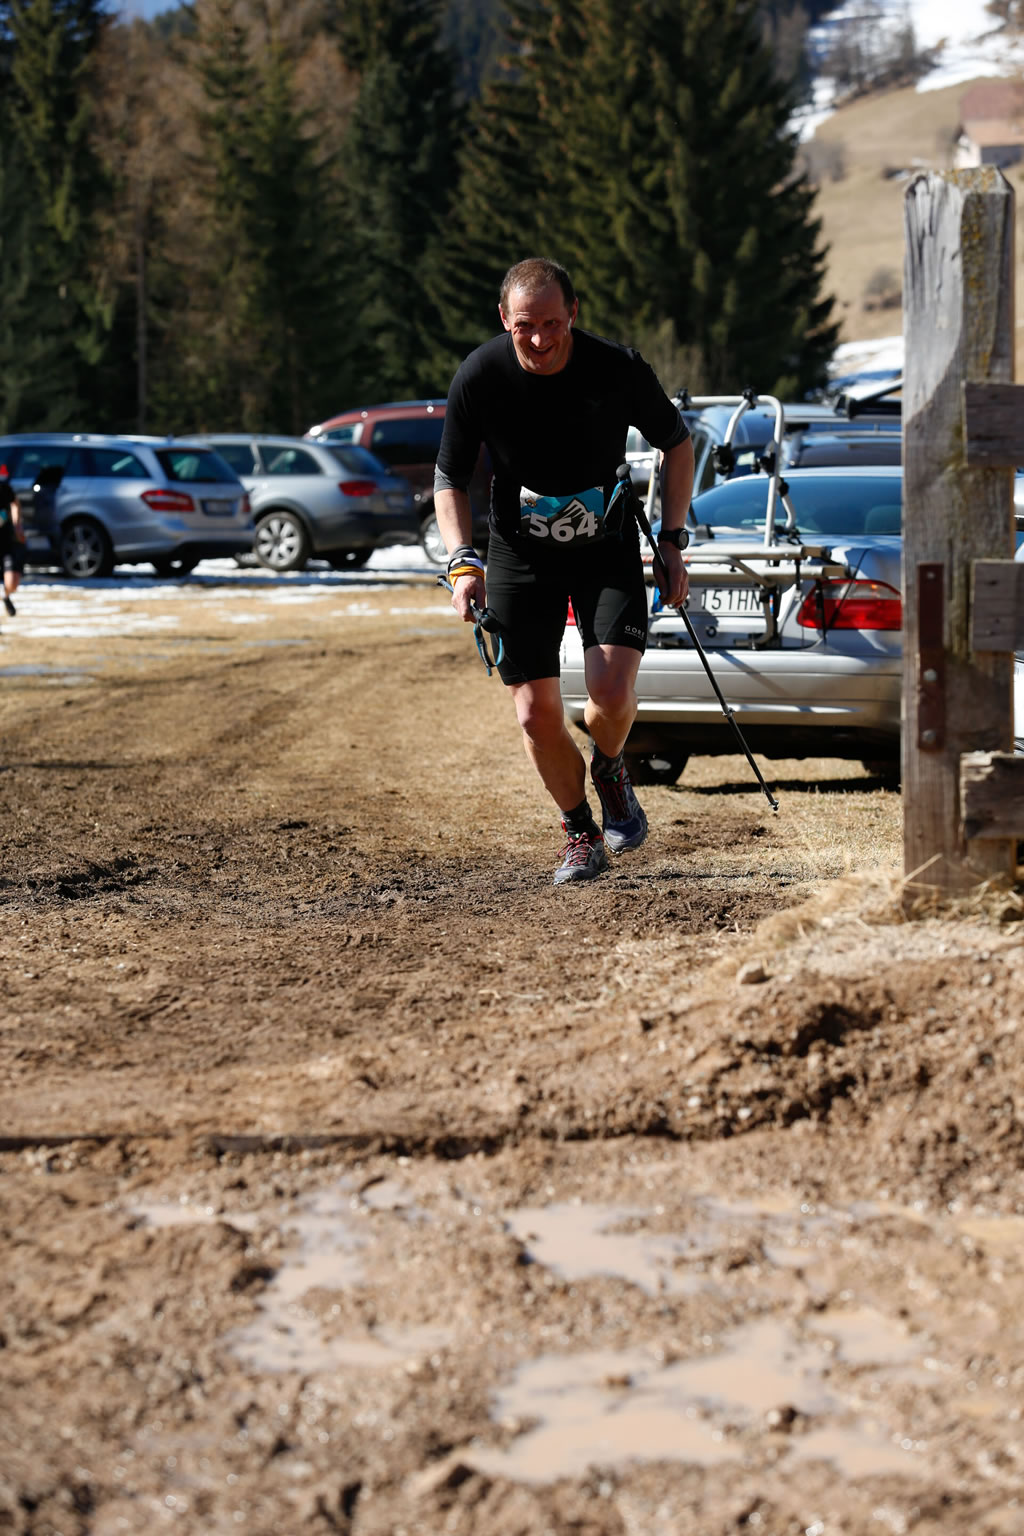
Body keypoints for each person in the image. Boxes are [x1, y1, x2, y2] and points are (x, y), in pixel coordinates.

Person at [435, 257, 695, 886]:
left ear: (573, 313)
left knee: (610, 695)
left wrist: (672, 540)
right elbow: (450, 477)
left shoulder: (617, 367)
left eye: (553, 322)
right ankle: (581, 832)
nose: (540, 338)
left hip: (605, 549)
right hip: (519, 555)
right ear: (505, 319)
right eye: (526, 325)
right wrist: (462, 561)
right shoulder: (480, 375)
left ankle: (610, 767)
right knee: (534, 714)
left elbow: (677, 443)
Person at [0, 477, 26, 619]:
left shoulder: (3, 488)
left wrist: (17, 525)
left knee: (12, 583)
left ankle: (5, 596)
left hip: (6, 542)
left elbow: (15, 503)